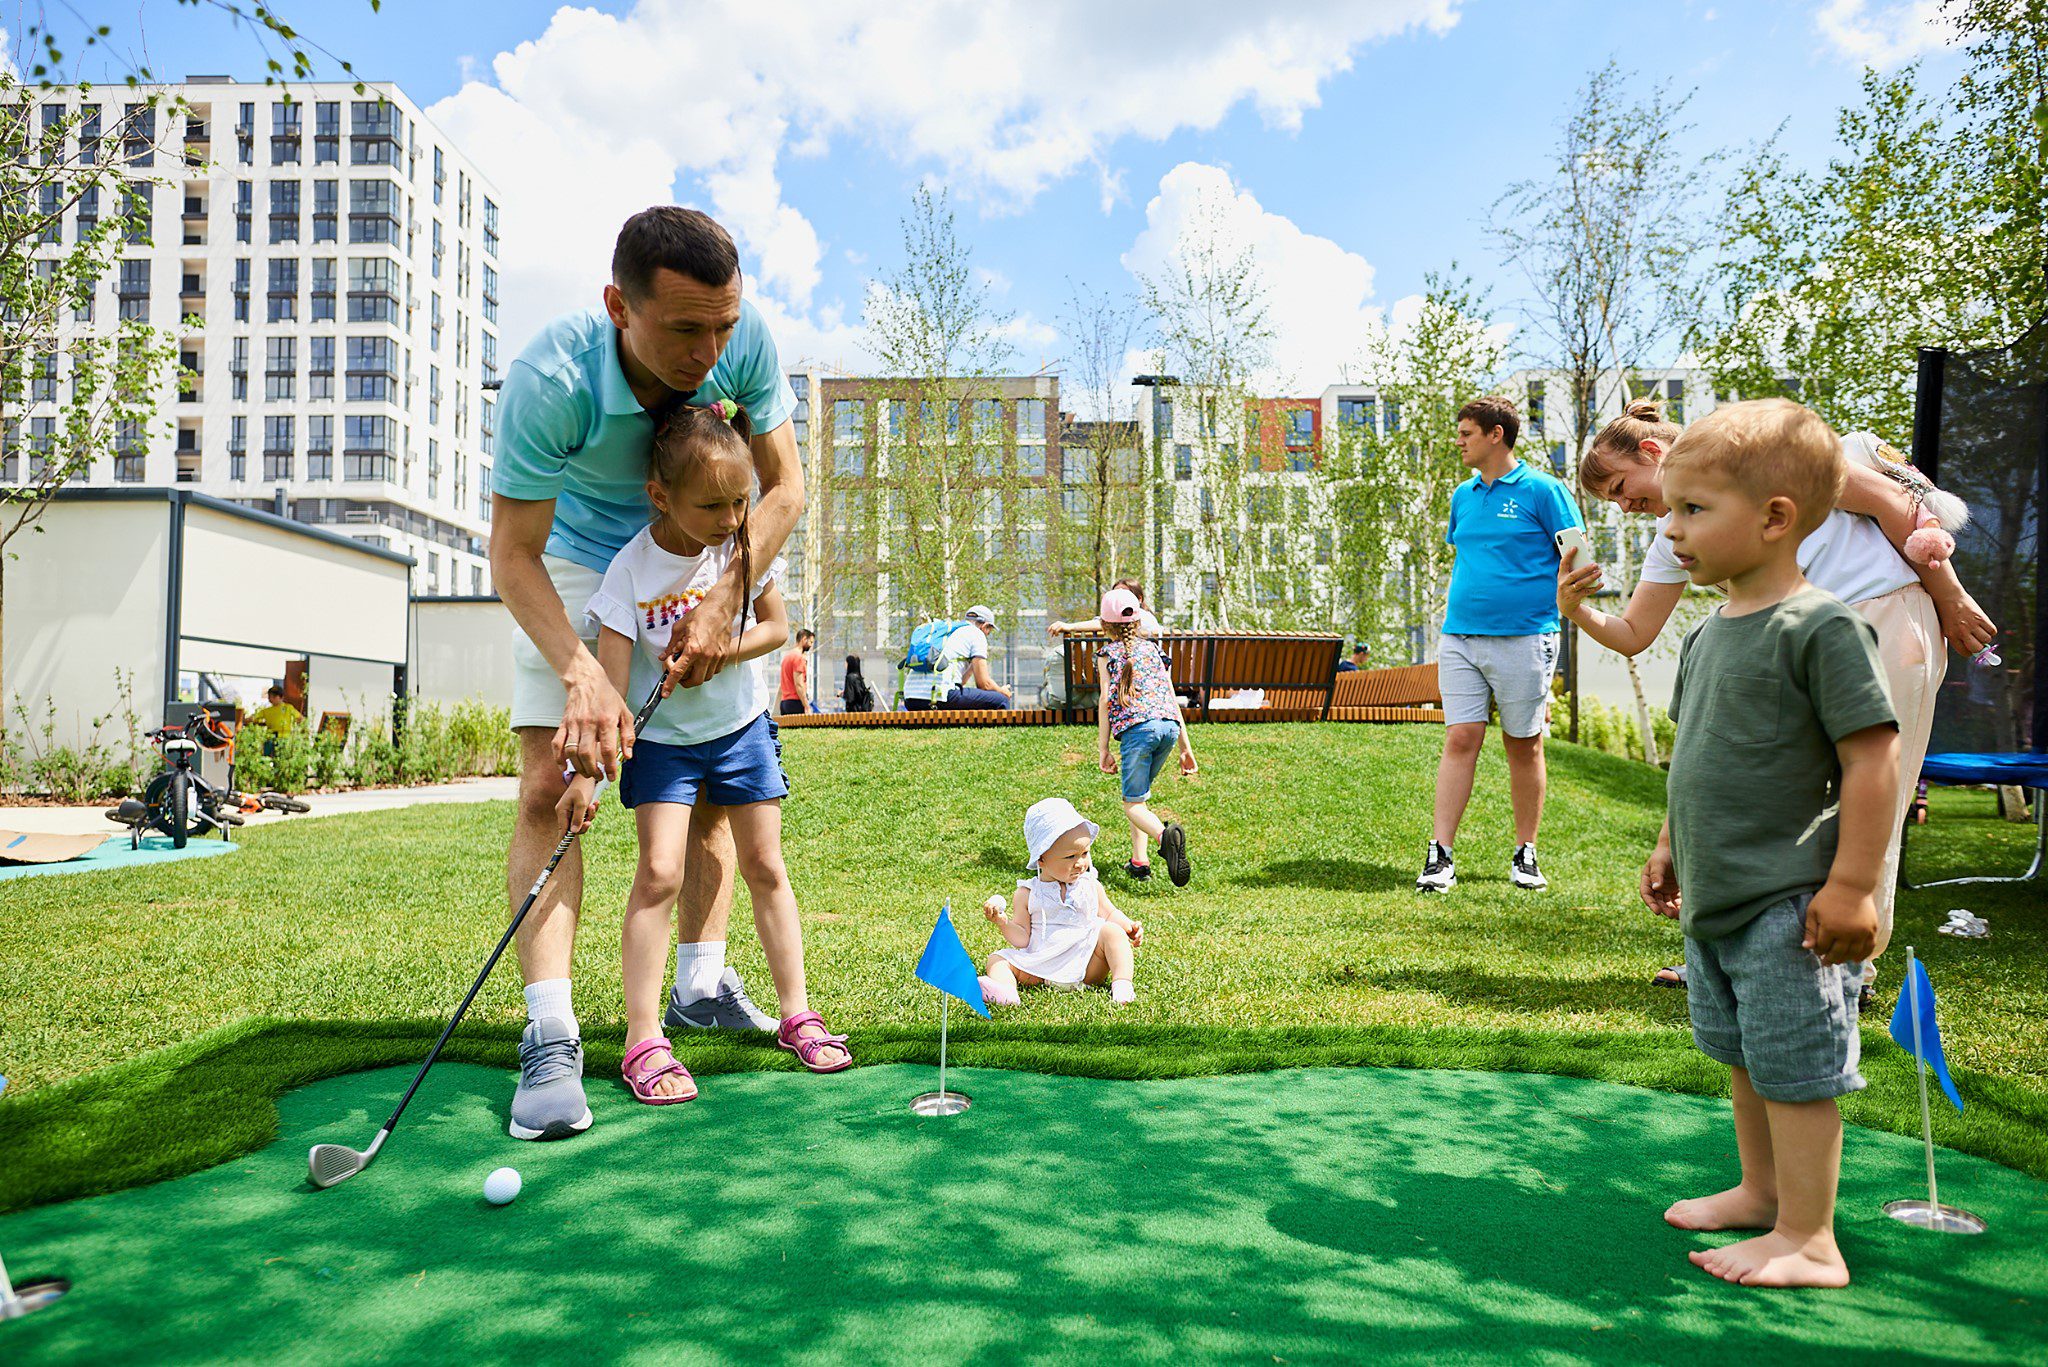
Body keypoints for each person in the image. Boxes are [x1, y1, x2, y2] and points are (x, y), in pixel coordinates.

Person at [490, 206, 804, 1141]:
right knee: (554, 783)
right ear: (618, 306)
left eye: (724, 325)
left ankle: (702, 985)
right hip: (581, 562)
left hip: (710, 545)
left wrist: (726, 593)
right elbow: (513, 553)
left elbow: (784, 488)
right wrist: (582, 670)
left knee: (708, 777)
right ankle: (551, 1030)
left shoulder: (741, 344)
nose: (711, 351)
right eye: (683, 329)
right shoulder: (552, 379)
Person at [1563, 398, 1996, 992]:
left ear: (1652, 452)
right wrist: (1576, 608)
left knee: (1871, 793)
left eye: (1620, 486)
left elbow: (1899, 504)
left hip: (1884, 616)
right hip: (1792, 639)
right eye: (1610, 502)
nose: (1623, 506)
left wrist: (1950, 596)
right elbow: (1635, 633)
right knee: (1763, 792)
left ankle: (1848, 966)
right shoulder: (1675, 536)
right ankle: (1742, 951)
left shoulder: (1767, 457)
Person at [1638, 398, 1898, 1289]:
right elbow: (1697, 754)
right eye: (1669, 509)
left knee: (1797, 1070)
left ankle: (1810, 1237)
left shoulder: (1822, 626)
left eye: (1693, 510)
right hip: (1718, 895)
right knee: (1746, 1055)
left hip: (1790, 900)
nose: (1670, 530)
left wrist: (1855, 885)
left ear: (1775, 517)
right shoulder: (1709, 632)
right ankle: (1760, 1191)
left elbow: (1872, 761)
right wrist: (1671, 842)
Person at [564, 402, 851, 1105]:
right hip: (663, 742)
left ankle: (796, 1013)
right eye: (713, 505)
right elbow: (610, 683)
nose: (731, 520)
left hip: (741, 729)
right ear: (661, 497)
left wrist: (722, 651)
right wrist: (584, 774)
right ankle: (642, 1038)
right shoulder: (631, 570)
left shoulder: (739, 552)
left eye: (740, 503)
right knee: (659, 872)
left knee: (765, 864)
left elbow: (777, 627)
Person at [1417, 396, 1584, 895]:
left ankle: (1525, 852)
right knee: (1460, 738)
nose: (1459, 441)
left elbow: (1579, 557)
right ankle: (1440, 854)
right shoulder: (1462, 497)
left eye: (1466, 432)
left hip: (1527, 636)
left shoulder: (1544, 490)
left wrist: (1562, 603)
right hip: (1460, 636)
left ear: (1496, 435)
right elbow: (1469, 555)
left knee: (1523, 743)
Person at [978, 797, 1143, 1006]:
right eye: (1070, 857)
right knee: (997, 959)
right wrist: (1003, 923)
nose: (1080, 863)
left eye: (1085, 853)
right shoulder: (1027, 893)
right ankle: (1006, 992)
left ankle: (1123, 986)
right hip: (1040, 968)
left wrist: (1127, 926)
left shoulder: (1090, 885)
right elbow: (1022, 938)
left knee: (1112, 932)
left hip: (1086, 966)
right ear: (1041, 859)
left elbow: (1109, 913)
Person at [1096, 587, 1197, 884]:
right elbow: (1169, 694)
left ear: (1104, 625)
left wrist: (1103, 748)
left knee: (1132, 804)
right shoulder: (1154, 650)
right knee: (1138, 798)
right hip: (1168, 727)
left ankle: (1165, 837)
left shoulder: (1106, 654)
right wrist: (1185, 748)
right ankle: (1139, 863)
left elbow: (1104, 700)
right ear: (1138, 621)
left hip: (1138, 731)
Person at [941, 605, 1012, 710]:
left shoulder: (951, 632)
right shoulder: (977, 634)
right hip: (941, 696)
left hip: (912, 698)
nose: (987, 634)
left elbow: (961, 682)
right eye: (989, 631)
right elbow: (984, 684)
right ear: (985, 626)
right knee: (1001, 700)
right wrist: (1002, 692)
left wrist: (972, 666)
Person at [1047, 578, 1163, 638]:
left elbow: (1100, 624)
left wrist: (1069, 626)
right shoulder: (1146, 617)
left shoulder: (1141, 615)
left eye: (1124, 594)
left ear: (1139, 599)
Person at [778, 628, 814, 716]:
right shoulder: (798, 658)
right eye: (811, 642)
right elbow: (799, 684)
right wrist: (807, 706)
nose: (811, 645)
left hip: (784, 702)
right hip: (795, 702)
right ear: (804, 639)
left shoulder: (787, 657)